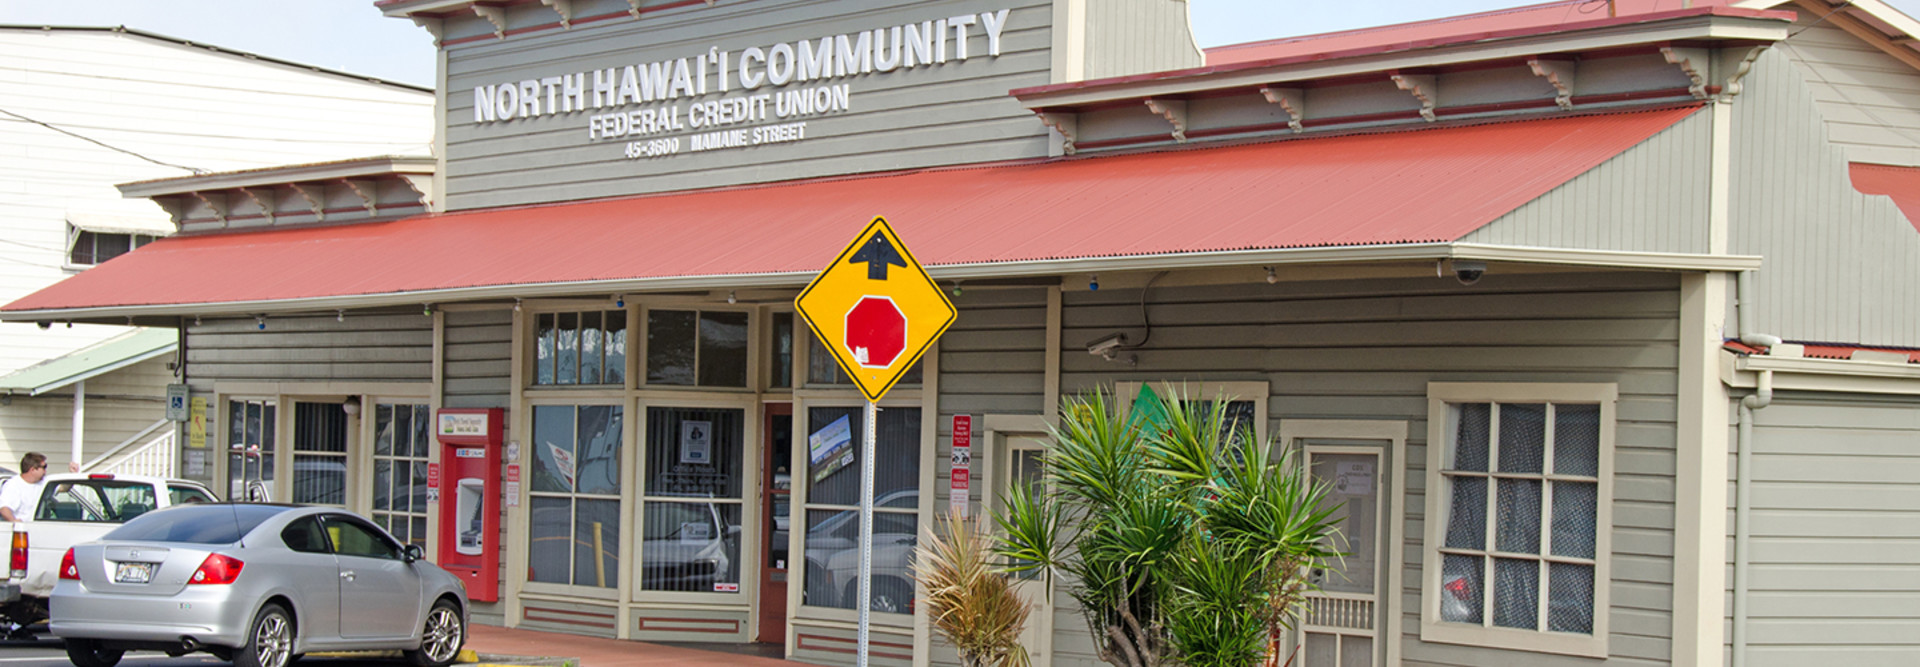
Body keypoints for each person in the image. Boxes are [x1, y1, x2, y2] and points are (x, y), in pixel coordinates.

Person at [0, 453, 50, 522]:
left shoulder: (44, 483)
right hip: (24, 529)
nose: (45, 471)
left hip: (42, 526)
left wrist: (70, 474)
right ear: (32, 469)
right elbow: (4, 509)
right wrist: (15, 522)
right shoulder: (14, 485)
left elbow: (62, 488)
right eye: (44, 467)